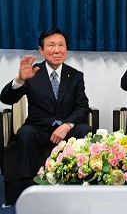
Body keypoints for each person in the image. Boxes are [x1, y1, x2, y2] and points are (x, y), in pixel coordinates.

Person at [0, 28, 92, 202]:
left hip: (65, 129)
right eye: (51, 45)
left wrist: (67, 125)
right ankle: (28, 191)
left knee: (85, 130)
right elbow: (6, 98)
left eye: (61, 45)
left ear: (66, 49)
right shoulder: (32, 72)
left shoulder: (75, 76)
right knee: (25, 134)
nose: (57, 50)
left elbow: (82, 106)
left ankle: (81, 186)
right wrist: (19, 80)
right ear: (41, 50)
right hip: (38, 128)